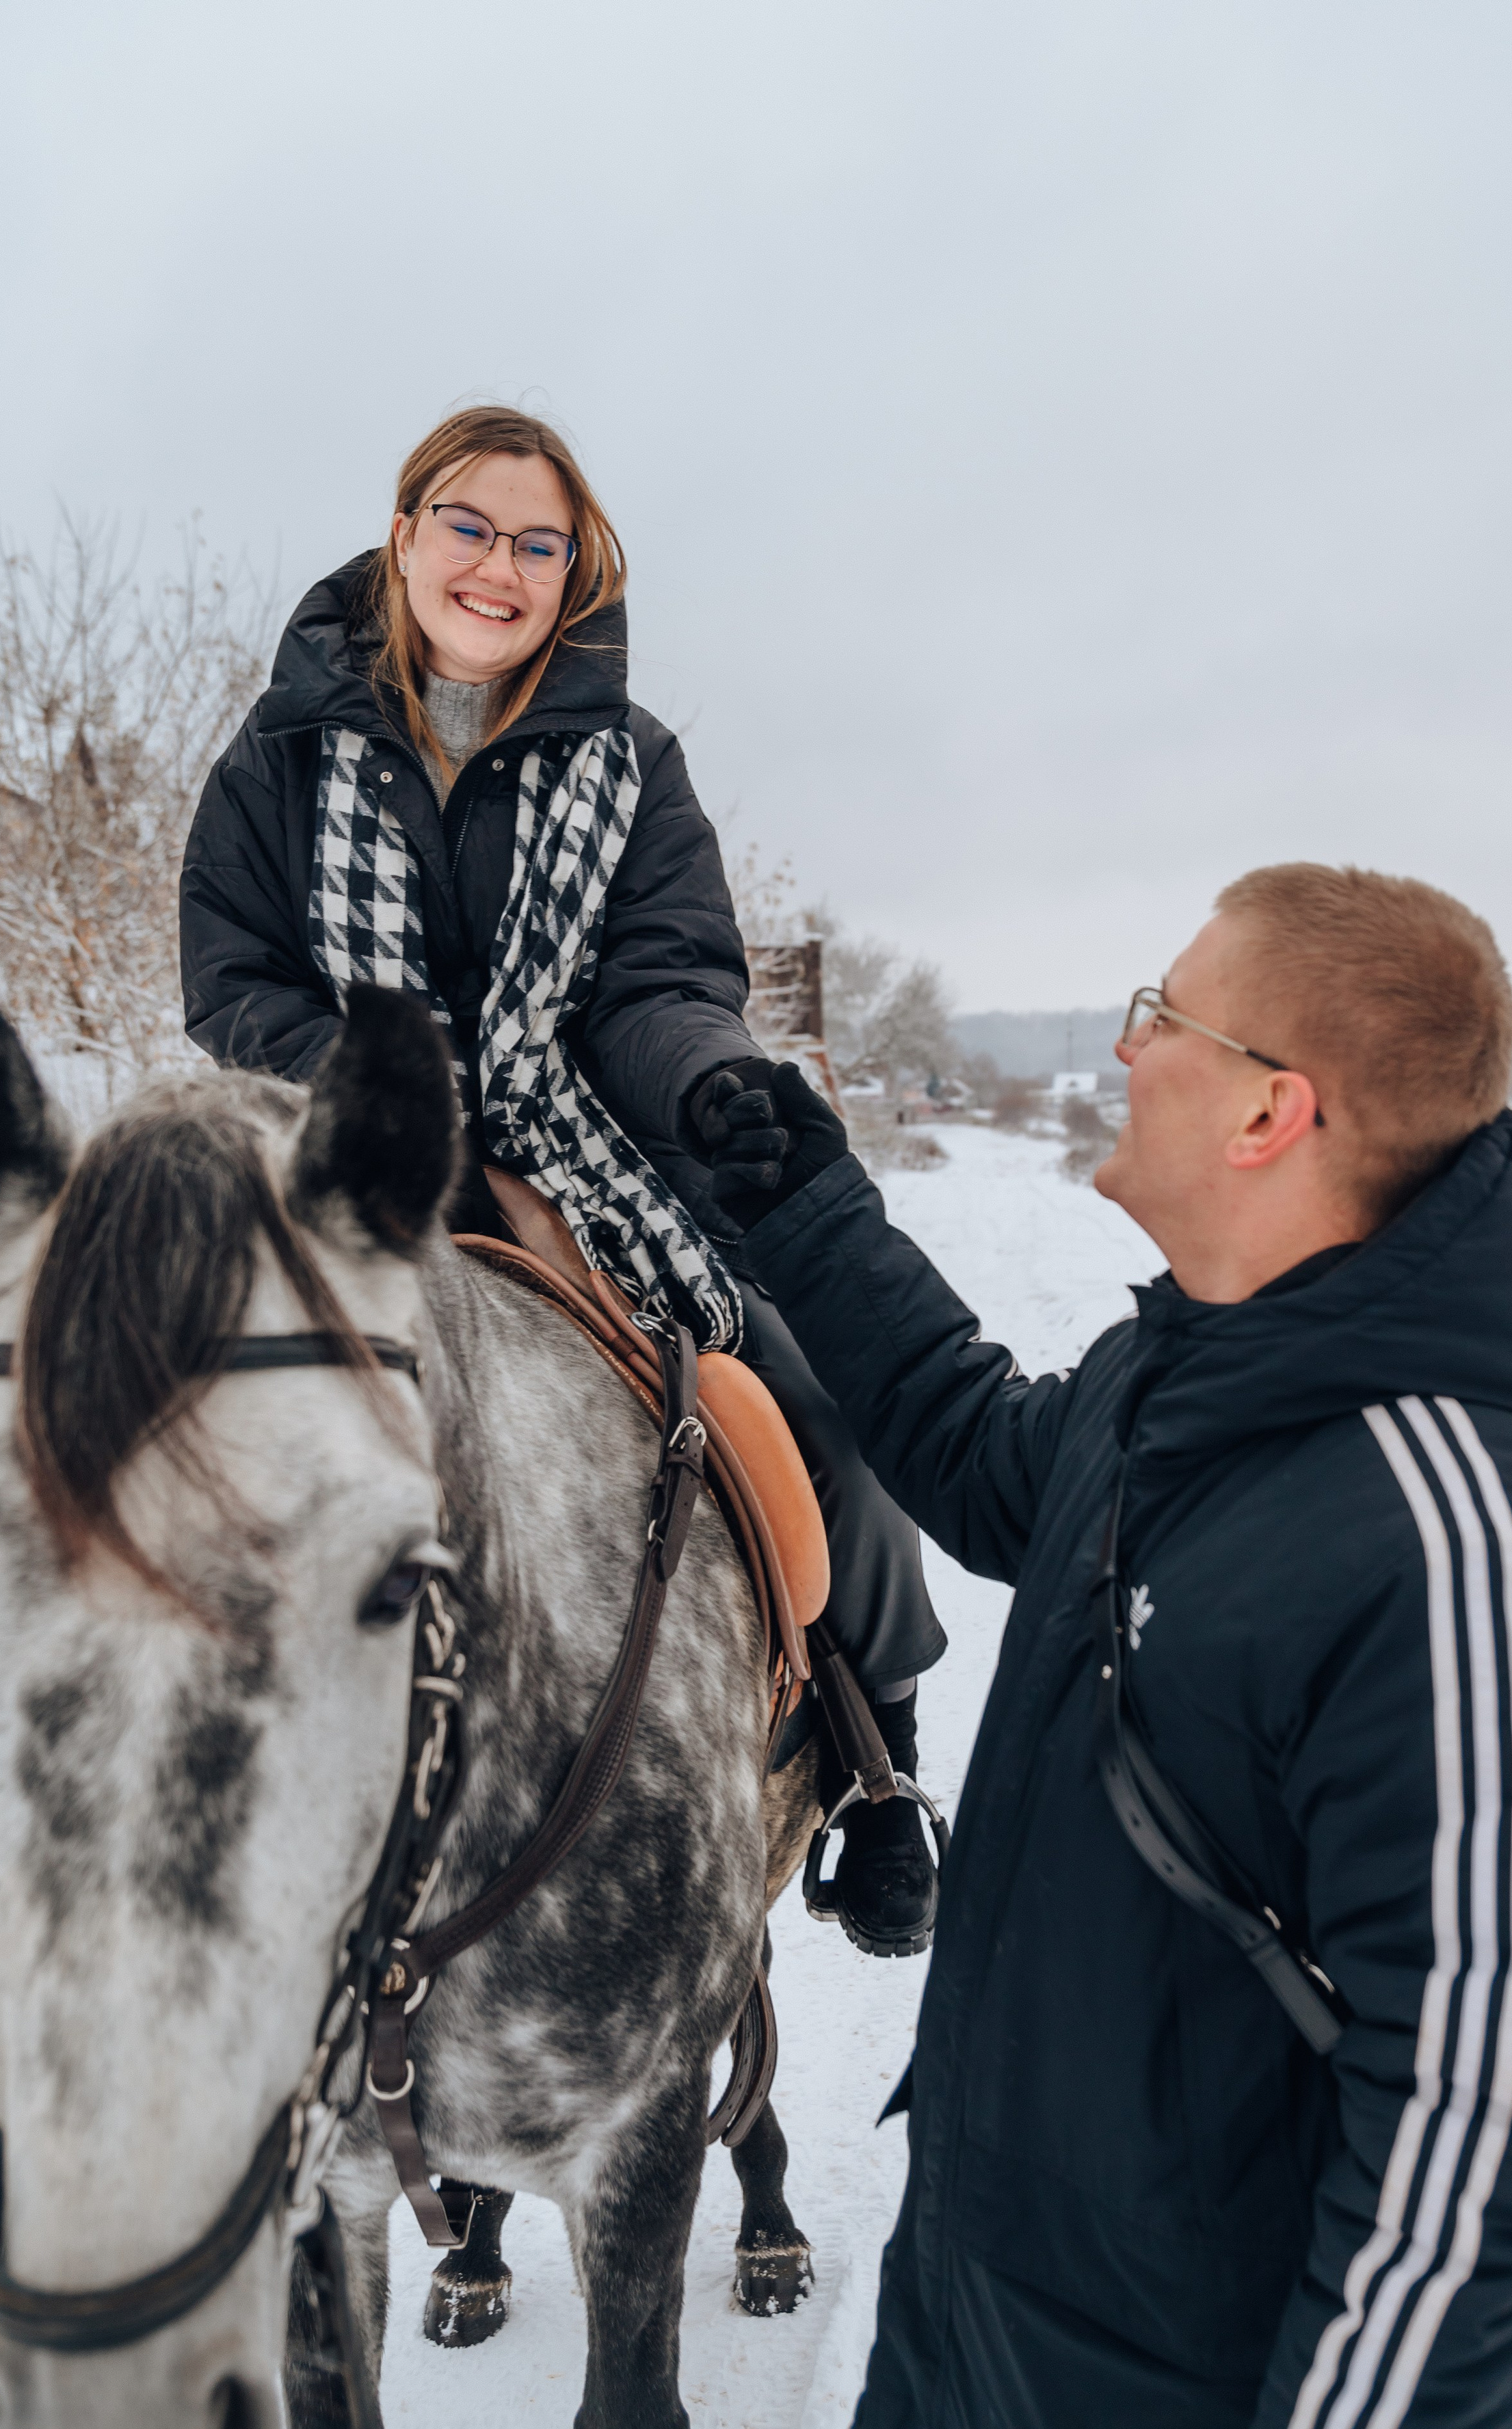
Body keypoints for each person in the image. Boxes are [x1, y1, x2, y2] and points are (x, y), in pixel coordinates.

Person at [695, 862, 1512, 2429]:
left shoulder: (1457, 1549)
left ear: (1277, 1110)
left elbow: (1490, 2157)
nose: (1126, 1049)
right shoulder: (1197, 1380)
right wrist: (802, 1206)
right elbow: (984, 1459)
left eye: (1162, 1017)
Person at [178, 403, 945, 1952]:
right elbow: (230, 978)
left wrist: (712, 1071)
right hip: (354, 1155)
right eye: (467, 526)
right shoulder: (277, 754)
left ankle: (877, 1763)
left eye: (539, 543)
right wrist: (373, 1087)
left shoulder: (630, 759)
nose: (498, 566)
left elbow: (660, 979)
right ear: (402, 538)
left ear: (571, 573)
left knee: (817, 1416)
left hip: (582, 1156)